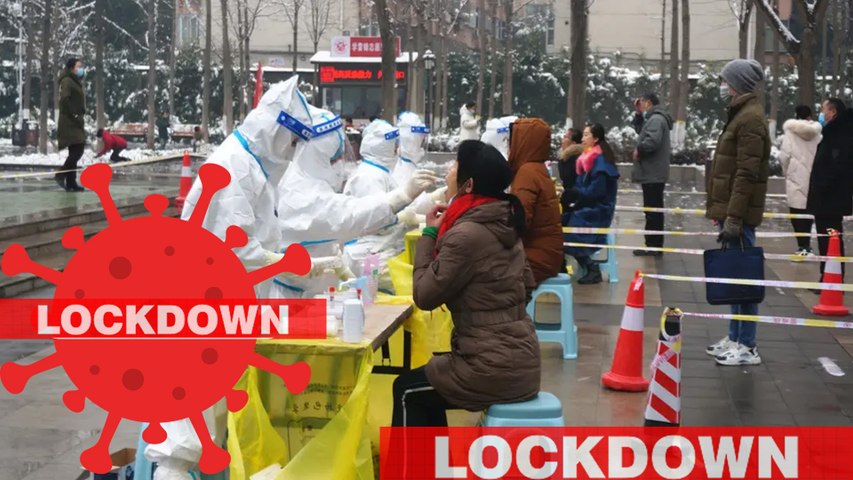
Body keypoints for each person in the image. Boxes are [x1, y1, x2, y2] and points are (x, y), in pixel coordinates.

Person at [391, 140, 540, 428]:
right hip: (521, 358)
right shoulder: (504, 222)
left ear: (468, 184)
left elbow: (424, 295)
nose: (449, 172)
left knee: (407, 390)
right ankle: (434, 458)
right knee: (425, 383)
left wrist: (429, 234)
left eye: (455, 166)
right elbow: (527, 287)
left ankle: (417, 459)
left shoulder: (466, 234)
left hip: (491, 367)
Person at [271, 106, 433, 298]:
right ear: (321, 154)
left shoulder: (309, 182)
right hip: (290, 297)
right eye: (335, 157)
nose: (340, 162)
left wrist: (341, 268)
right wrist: (402, 197)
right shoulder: (298, 191)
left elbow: (327, 235)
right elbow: (348, 216)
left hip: (312, 293)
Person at [180, 76, 314, 298]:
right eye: (292, 141)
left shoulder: (254, 166)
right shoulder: (234, 166)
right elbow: (231, 247)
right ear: (276, 130)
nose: (292, 150)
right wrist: (280, 262)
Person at [705, 59, 770, 366]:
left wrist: (733, 215)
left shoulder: (750, 119)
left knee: (744, 279)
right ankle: (735, 336)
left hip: (739, 215)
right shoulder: (741, 115)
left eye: (725, 80)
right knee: (735, 275)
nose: (722, 85)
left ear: (737, 84)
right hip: (732, 211)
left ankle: (747, 345)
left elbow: (746, 173)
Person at [342, 119, 437, 289]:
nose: (397, 150)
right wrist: (407, 217)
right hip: (369, 255)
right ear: (383, 147)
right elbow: (376, 220)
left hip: (378, 250)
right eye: (394, 146)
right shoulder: (368, 177)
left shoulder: (380, 173)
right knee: (404, 290)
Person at [507, 118, 564, 286]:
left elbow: (520, 220)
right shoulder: (537, 168)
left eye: (511, 141)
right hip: (547, 254)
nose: (509, 146)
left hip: (536, 259)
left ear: (522, 142)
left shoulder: (527, 172)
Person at [563, 124, 621, 284]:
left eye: (586, 135)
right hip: (588, 205)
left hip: (598, 211)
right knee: (561, 221)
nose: (582, 139)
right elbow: (581, 185)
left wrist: (576, 195)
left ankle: (592, 268)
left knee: (569, 231)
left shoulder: (601, 161)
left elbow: (597, 192)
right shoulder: (588, 157)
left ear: (595, 138)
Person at [807, 98, 853, 281]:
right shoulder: (831, 134)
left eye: (823, 109)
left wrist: (821, 185)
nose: (821, 113)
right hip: (827, 198)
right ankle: (827, 274)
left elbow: (836, 167)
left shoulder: (839, 136)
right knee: (826, 238)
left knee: (830, 239)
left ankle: (832, 276)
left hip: (830, 198)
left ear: (833, 112)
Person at [632, 93, 673, 256]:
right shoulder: (652, 119)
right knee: (652, 210)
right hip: (653, 172)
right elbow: (640, 131)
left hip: (653, 172)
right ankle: (652, 244)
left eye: (642, 102)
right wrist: (638, 114)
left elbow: (652, 141)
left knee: (653, 211)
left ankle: (654, 246)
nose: (640, 104)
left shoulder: (656, 119)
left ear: (648, 102)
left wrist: (639, 150)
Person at [778, 105, 822, 256]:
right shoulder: (818, 133)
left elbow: (785, 156)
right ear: (810, 116)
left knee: (796, 212)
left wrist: (787, 172)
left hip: (795, 177)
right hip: (814, 177)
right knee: (809, 211)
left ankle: (802, 246)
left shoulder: (790, 133)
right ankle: (808, 245)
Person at [393, 111, 447, 222]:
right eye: (421, 140)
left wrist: (434, 197)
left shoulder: (408, 164)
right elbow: (408, 209)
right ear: (412, 140)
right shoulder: (399, 169)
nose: (422, 144)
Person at [56, 57, 87, 192]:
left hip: (75, 121)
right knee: (78, 149)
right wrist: (74, 114)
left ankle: (71, 182)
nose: (81, 69)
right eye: (78, 67)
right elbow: (65, 99)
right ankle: (61, 174)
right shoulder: (67, 81)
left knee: (74, 150)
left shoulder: (74, 81)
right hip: (69, 121)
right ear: (71, 68)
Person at [558, 128, 584, 217]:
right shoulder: (576, 155)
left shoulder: (573, 158)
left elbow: (565, 176)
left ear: (573, 143)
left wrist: (562, 157)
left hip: (574, 199)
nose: (563, 139)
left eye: (566, 137)